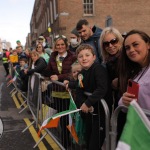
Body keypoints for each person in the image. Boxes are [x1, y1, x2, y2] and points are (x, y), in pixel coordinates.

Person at [75, 44, 112, 150]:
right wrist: (84, 104)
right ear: (78, 59)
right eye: (81, 56)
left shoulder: (98, 69)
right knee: (87, 143)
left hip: (100, 114)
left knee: (94, 145)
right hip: (89, 115)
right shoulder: (81, 74)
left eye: (87, 55)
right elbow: (79, 91)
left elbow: (102, 89)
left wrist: (88, 103)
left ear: (94, 57)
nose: (84, 58)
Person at [117, 29, 150, 141]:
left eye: (135, 44)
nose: (131, 50)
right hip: (140, 133)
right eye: (127, 48)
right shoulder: (135, 72)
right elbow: (125, 107)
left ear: (148, 45)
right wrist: (124, 100)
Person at [100, 27, 124, 109]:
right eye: (106, 43)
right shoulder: (108, 61)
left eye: (114, 41)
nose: (110, 46)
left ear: (120, 40)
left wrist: (119, 81)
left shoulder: (127, 57)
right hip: (119, 101)